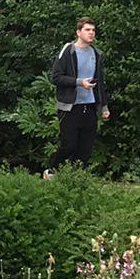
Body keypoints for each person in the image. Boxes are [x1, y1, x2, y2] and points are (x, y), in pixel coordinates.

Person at [43, 15, 111, 177]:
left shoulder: (96, 53)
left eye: (93, 30)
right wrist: (80, 82)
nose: (91, 33)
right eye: (87, 30)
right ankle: (50, 171)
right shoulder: (68, 51)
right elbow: (56, 77)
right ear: (78, 32)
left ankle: (74, 179)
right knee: (69, 145)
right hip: (69, 106)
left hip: (89, 106)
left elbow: (100, 82)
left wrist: (104, 107)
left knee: (85, 149)